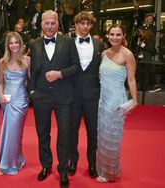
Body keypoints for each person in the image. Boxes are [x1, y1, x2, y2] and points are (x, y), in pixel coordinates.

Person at [29, 10, 79, 187]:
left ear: (58, 24)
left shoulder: (68, 42)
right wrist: (32, 92)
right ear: (41, 24)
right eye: (46, 23)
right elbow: (32, 71)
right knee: (43, 134)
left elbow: (76, 67)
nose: (49, 26)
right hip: (41, 97)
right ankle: (46, 165)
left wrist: (60, 73)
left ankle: (63, 170)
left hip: (63, 97)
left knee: (64, 134)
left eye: (53, 23)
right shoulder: (34, 44)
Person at [96, 24, 138, 183]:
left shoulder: (128, 55)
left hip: (116, 100)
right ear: (108, 35)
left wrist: (135, 100)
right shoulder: (104, 54)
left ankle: (110, 173)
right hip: (103, 99)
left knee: (111, 137)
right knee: (102, 135)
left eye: (118, 34)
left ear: (123, 36)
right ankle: (103, 168)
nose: (114, 37)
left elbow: (131, 79)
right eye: (112, 34)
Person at [68, 11, 104, 179]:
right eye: (81, 23)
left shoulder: (99, 45)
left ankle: (92, 163)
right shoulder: (67, 44)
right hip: (72, 95)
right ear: (76, 25)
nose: (84, 26)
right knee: (71, 131)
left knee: (93, 131)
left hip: (92, 95)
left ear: (91, 25)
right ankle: (72, 161)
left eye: (88, 24)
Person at [0, 32, 30, 175]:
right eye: (11, 43)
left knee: (15, 132)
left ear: (21, 44)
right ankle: (13, 161)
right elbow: (0, 82)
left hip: (21, 100)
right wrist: (0, 96)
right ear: (7, 45)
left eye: (16, 42)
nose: (14, 45)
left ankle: (9, 163)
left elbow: (29, 81)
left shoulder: (27, 60)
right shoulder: (2, 62)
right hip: (7, 100)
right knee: (10, 131)